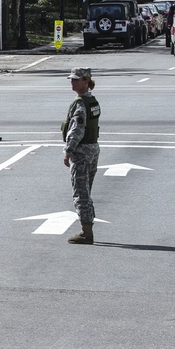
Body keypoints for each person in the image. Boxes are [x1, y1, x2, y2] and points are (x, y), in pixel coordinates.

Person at [61, 67, 100, 245]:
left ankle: (86, 232)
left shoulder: (81, 103)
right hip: (92, 149)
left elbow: (76, 130)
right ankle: (87, 227)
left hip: (82, 152)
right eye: (71, 79)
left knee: (81, 193)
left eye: (76, 79)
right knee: (86, 191)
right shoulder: (92, 101)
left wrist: (68, 151)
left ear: (86, 81)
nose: (72, 82)